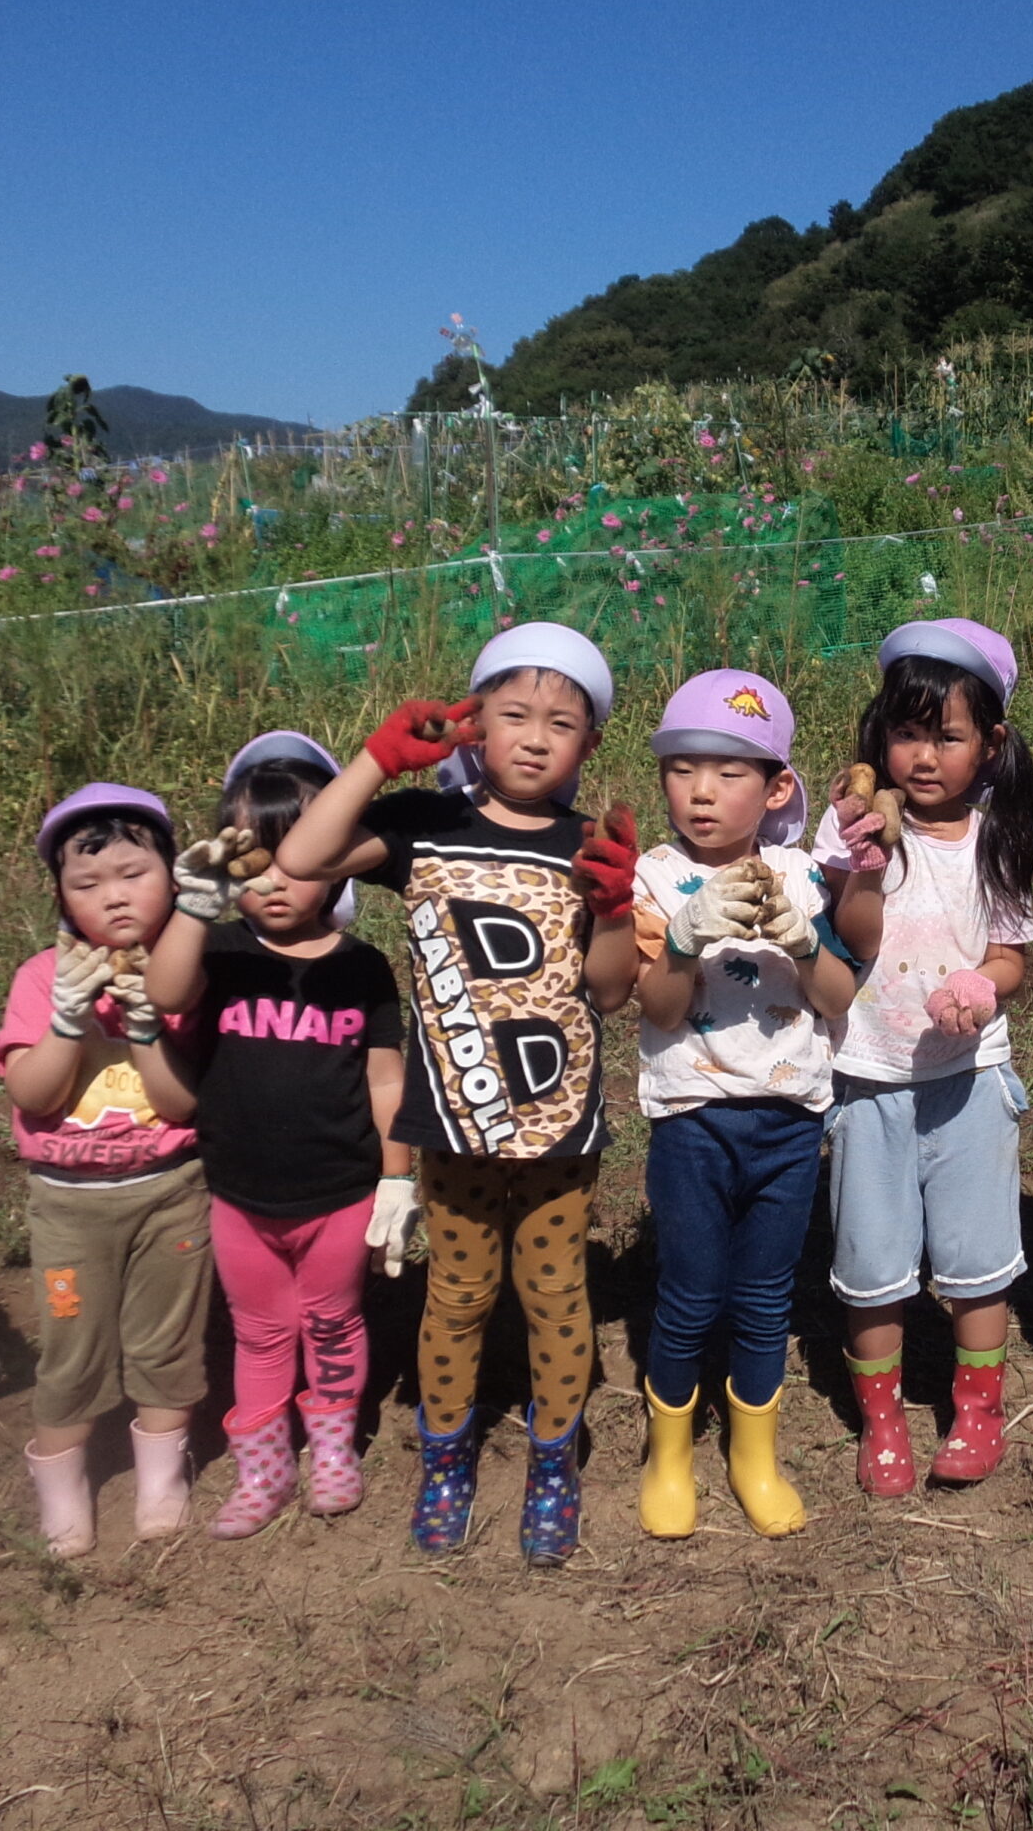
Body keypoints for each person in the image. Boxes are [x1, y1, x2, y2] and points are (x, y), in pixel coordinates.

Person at [274, 623, 639, 1565]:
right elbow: (304, 862)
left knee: (558, 1298)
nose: (533, 736)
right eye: (512, 713)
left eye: (561, 722)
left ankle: (554, 1466)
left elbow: (608, 990)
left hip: (560, 1128)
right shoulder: (420, 826)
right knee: (460, 1295)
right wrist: (376, 759)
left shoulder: (584, 842)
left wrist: (615, 909)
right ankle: (448, 1461)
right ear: (471, 724)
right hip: (453, 1124)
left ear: (588, 745)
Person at [144, 733, 411, 1538]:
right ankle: (262, 1470)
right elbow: (161, 992)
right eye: (250, 865)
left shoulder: (362, 968)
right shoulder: (219, 953)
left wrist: (398, 1179)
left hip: (338, 1192)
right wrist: (192, 905)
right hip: (240, 1195)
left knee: (332, 1322)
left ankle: (332, 1451)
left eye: (295, 860)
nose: (274, 882)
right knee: (259, 1331)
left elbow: (386, 1080)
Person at [628, 670, 857, 1538]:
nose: (702, 791)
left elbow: (836, 998)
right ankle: (670, 1455)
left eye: (730, 772)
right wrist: (686, 939)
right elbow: (658, 1007)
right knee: (688, 1295)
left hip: (790, 1122)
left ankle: (754, 1457)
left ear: (776, 788)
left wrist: (801, 941)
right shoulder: (655, 878)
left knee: (765, 1298)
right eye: (683, 769)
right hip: (692, 1120)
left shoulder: (801, 878)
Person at [816, 617, 1033, 1494]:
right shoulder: (852, 833)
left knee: (977, 1258)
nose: (922, 755)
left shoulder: (994, 841)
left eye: (945, 736)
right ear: (881, 737)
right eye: (907, 733)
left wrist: (985, 986)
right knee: (873, 1267)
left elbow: (1012, 956)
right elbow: (853, 940)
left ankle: (977, 1410)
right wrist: (864, 865)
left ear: (987, 747)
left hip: (971, 1080)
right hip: (870, 1077)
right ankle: (882, 1423)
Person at [0, 785, 206, 1558]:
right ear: (60, 895)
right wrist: (67, 1020)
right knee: (71, 1348)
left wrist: (147, 1023)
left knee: (167, 1341)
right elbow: (33, 1094)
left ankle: (160, 1478)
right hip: (69, 1205)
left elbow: (183, 1108)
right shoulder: (41, 978)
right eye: (87, 883)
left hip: (169, 1195)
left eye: (132, 873)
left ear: (174, 877)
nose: (113, 896)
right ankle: (63, 1489)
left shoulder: (186, 979)